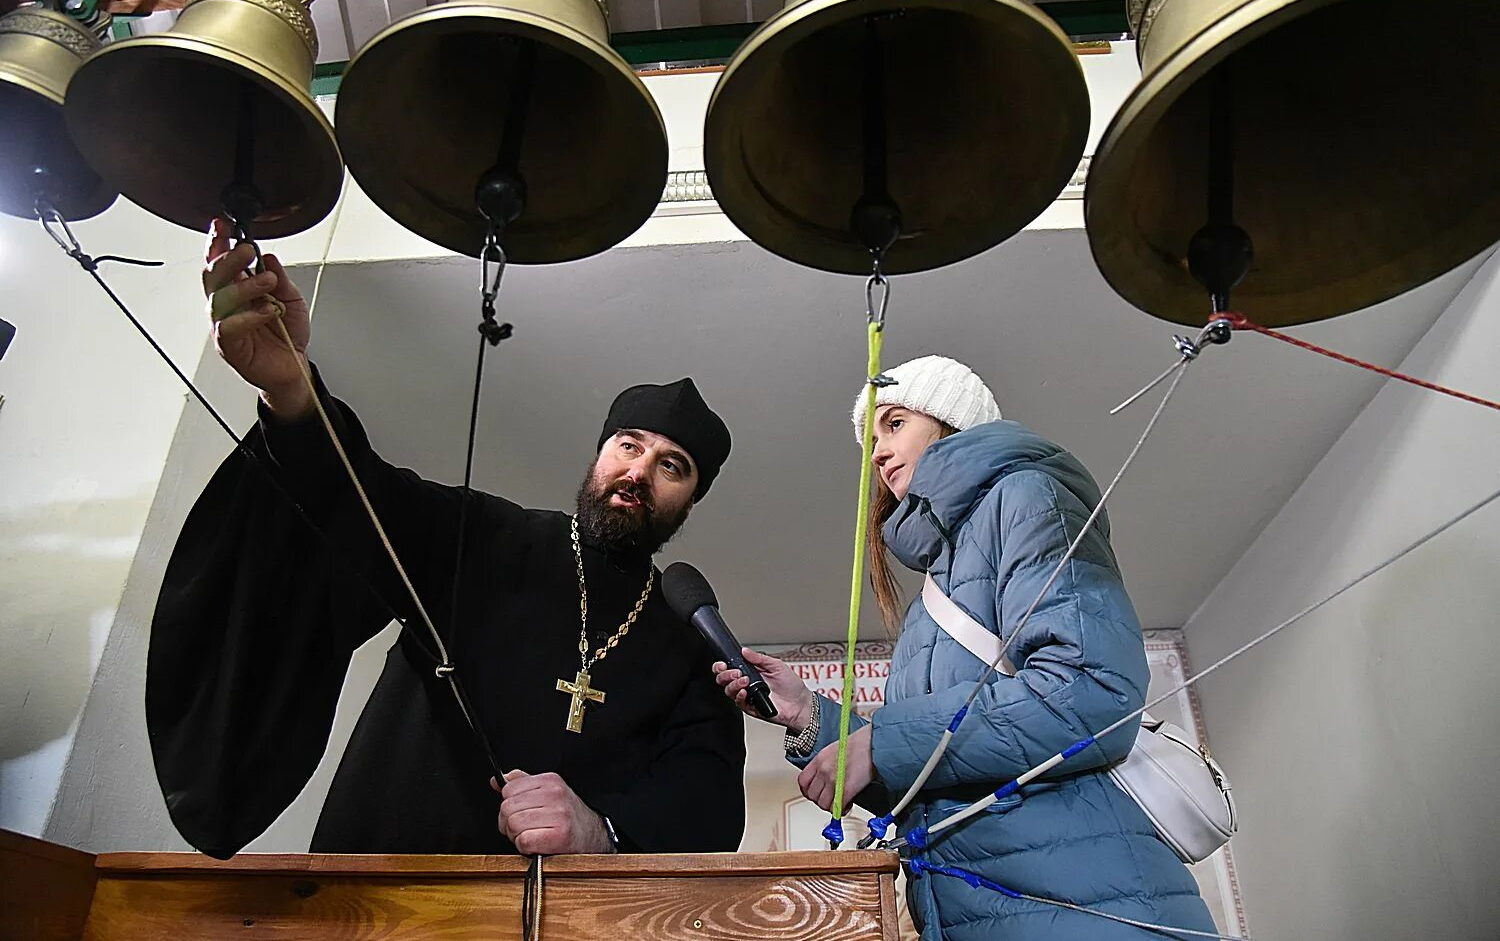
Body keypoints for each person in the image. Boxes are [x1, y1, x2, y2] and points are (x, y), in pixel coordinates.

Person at [148, 220, 746, 859]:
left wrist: (603, 830)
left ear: (690, 499)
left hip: (574, 914)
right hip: (383, 887)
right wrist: (292, 388)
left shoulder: (689, 636)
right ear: (599, 456)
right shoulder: (484, 535)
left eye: (672, 466)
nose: (639, 472)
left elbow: (706, 800)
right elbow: (359, 502)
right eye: (629, 446)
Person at [716, 356, 1216, 939]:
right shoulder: (935, 589)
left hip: (1088, 909)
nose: (877, 452)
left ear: (951, 421)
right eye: (871, 439)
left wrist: (883, 740)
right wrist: (808, 715)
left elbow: (1090, 690)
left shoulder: (1028, 496)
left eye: (895, 423)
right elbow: (935, 779)